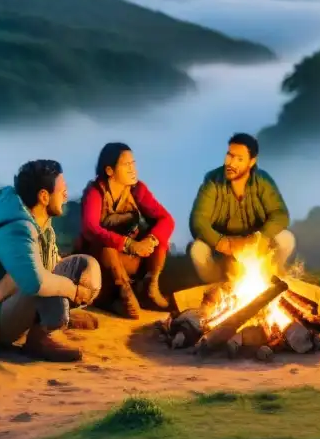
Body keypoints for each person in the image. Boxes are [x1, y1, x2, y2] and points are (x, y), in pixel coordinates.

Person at [0, 160, 102, 363]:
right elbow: (35, 282)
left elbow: (53, 263)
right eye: (62, 190)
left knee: (86, 266)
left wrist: (77, 279)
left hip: (7, 302)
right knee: (42, 283)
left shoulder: (42, 225)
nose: (66, 195)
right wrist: (73, 291)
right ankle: (39, 339)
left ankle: (51, 321)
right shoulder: (17, 227)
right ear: (43, 196)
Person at [74, 142, 175, 319]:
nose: (132, 169)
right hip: (102, 263)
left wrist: (150, 240)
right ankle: (123, 293)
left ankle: (150, 286)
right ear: (109, 171)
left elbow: (166, 219)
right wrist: (128, 244)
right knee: (106, 245)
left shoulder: (137, 190)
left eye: (133, 164)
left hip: (130, 261)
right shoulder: (95, 192)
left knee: (158, 234)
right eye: (126, 165)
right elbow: (90, 229)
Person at [188, 132, 295, 283]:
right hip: (223, 246)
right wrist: (222, 243)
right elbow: (198, 220)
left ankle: (268, 279)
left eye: (239, 159)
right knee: (197, 250)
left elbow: (280, 214)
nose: (231, 163)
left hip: (255, 245)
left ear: (251, 162)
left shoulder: (263, 180)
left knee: (286, 239)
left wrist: (259, 239)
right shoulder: (212, 180)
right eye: (229, 155)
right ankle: (217, 287)